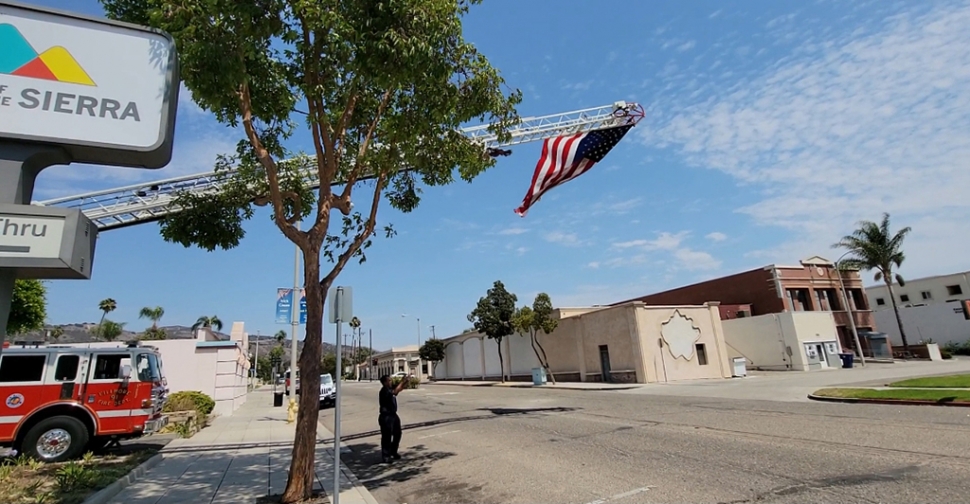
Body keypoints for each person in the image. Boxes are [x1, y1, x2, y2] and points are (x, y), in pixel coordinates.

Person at [378, 374, 407, 463]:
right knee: (387, 436)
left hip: (393, 415)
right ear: (385, 382)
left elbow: (398, 390)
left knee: (397, 433)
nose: (391, 381)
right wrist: (402, 382)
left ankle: (393, 452)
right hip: (386, 416)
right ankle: (386, 456)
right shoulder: (384, 391)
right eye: (389, 380)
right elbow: (395, 391)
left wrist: (405, 381)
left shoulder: (390, 389)